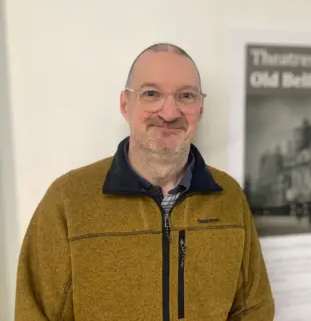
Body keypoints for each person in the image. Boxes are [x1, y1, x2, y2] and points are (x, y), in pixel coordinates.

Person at [15, 43, 275, 320]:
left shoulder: (228, 196)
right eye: (151, 94)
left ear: (200, 108)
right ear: (125, 105)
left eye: (186, 96)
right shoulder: (68, 201)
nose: (169, 112)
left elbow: (253, 308)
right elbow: (34, 312)